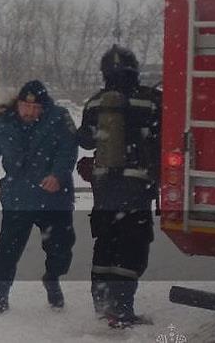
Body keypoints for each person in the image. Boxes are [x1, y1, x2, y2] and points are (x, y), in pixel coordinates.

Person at [0, 80, 78, 314]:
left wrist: (57, 175)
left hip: (54, 198)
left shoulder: (59, 119)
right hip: (19, 196)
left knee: (60, 248)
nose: (30, 112)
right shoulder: (3, 124)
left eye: (36, 108)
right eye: (26, 106)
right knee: (7, 249)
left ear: (44, 107)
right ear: (18, 103)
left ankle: (52, 278)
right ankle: (0, 296)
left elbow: (68, 150)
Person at [77, 45, 162, 328]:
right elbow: (164, 136)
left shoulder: (94, 102)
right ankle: (122, 310)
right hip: (136, 187)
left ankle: (102, 305)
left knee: (105, 243)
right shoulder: (151, 100)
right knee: (132, 247)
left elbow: (85, 140)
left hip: (104, 189)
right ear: (134, 69)